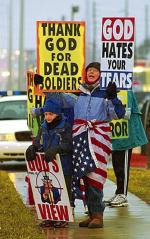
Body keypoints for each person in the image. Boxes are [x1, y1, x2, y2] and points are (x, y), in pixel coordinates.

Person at [47, 62, 125, 228]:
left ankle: (98, 215)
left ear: (100, 74)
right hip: (80, 137)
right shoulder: (79, 94)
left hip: (98, 139)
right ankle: (91, 214)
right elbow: (59, 97)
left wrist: (113, 98)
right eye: (89, 70)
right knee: (84, 175)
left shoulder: (106, 93)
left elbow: (118, 114)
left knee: (95, 175)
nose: (91, 72)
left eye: (95, 70)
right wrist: (43, 83)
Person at [26, 98, 73, 228]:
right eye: (46, 114)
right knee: (47, 191)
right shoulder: (43, 126)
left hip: (63, 166)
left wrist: (57, 149)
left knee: (63, 192)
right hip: (48, 167)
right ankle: (49, 217)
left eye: (51, 114)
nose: (47, 117)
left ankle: (63, 217)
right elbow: (38, 142)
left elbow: (69, 145)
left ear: (57, 114)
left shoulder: (65, 126)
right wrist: (33, 148)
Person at [104, 90, 148, 207]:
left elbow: (126, 113)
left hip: (126, 135)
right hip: (117, 135)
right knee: (117, 164)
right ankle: (119, 192)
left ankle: (122, 194)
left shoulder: (127, 92)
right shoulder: (110, 90)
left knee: (122, 165)